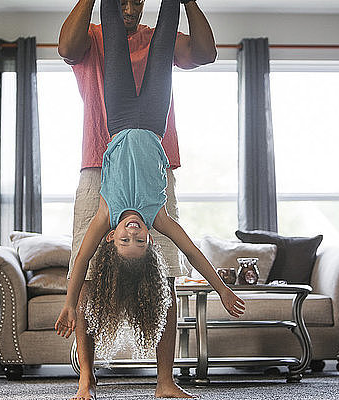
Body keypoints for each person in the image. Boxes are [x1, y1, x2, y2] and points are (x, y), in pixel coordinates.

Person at [55, 1, 246, 399]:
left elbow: (81, 261)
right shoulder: (154, 215)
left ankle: (161, 381)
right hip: (152, 127)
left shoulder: (108, 214)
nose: (134, 234)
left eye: (128, 239)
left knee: (155, 281)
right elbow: (192, 251)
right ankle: (89, 378)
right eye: (139, 240)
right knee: (166, 31)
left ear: (113, 238)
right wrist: (221, 288)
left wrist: (69, 305)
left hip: (119, 121)